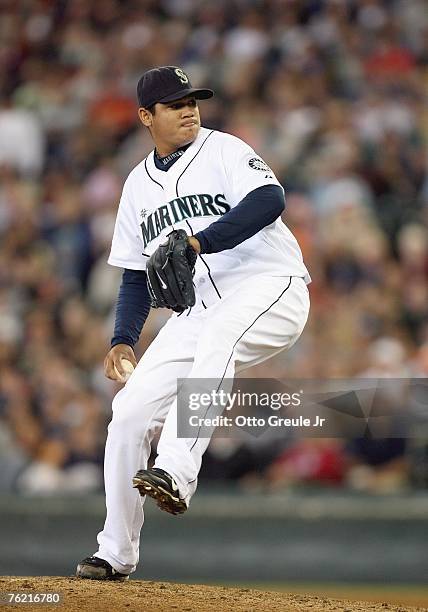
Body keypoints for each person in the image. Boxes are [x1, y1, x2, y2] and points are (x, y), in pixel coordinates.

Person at [76, 66, 310, 581]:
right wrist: (121, 338)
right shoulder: (137, 185)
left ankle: (178, 471)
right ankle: (115, 552)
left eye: (193, 100)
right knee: (130, 410)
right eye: (174, 103)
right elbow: (136, 274)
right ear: (145, 116)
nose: (189, 109)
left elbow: (270, 199)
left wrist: (203, 240)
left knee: (223, 335)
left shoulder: (223, 149)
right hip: (200, 309)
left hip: (270, 284)